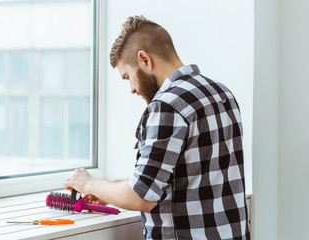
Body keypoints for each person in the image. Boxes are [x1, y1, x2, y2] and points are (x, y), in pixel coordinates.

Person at [64, 15, 250, 240]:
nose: (131, 89)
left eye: (128, 77)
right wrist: (105, 191)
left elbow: (142, 196)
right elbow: (178, 176)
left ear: (144, 59)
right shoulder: (221, 92)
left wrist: (89, 182)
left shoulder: (166, 105)